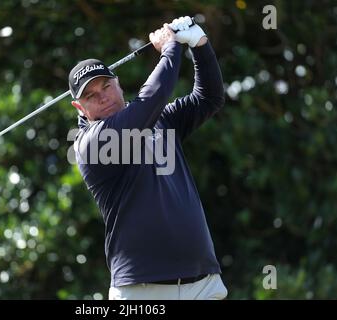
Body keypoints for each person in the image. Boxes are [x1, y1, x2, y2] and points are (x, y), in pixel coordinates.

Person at [68, 16, 227, 300]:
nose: (103, 97)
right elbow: (151, 100)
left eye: (106, 86)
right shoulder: (90, 143)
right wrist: (170, 48)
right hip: (142, 290)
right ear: (80, 108)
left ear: (118, 83)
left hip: (202, 282)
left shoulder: (159, 120)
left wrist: (200, 46)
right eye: (91, 96)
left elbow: (209, 98)